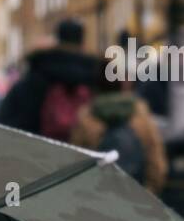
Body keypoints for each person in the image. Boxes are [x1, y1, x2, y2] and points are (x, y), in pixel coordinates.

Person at [71, 48, 167, 196]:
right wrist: (147, 195)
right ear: (124, 82)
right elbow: (156, 166)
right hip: (136, 200)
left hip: (98, 201)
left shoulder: (87, 117)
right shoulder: (140, 116)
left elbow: (75, 166)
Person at [0, 17, 98, 141]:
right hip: (86, 154)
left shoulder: (35, 76)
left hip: (40, 152)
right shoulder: (96, 77)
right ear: (83, 41)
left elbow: (5, 123)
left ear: (57, 39)